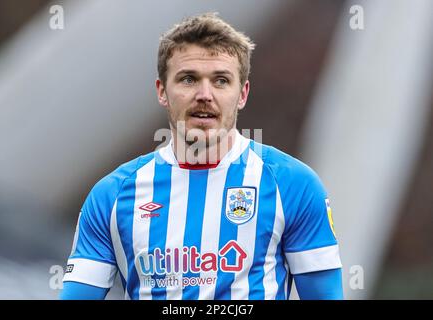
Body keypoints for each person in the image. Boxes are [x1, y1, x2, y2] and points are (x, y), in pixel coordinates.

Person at [60, 12, 343, 300]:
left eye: (221, 81)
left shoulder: (293, 185)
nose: (204, 94)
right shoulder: (112, 195)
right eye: (188, 79)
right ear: (162, 91)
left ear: (242, 94)